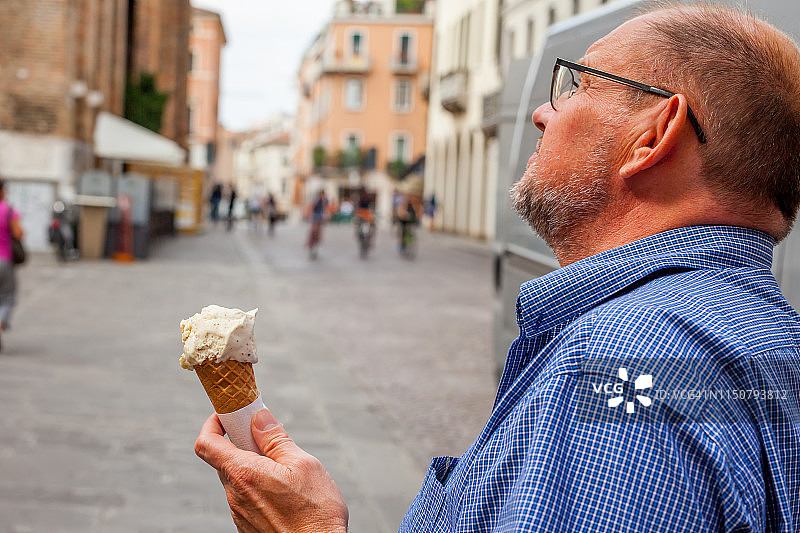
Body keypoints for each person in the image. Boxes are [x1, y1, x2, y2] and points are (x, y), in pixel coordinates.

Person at [194, 4, 800, 532]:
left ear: (654, 135)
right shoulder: (769, 337)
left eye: (580, 84)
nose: (541, 111)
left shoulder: (619, 362)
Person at [0, 179, 23, 351]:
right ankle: (0, 323)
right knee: (7, 297)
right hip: (3, 260)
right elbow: (18, 233)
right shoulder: (7, 210)